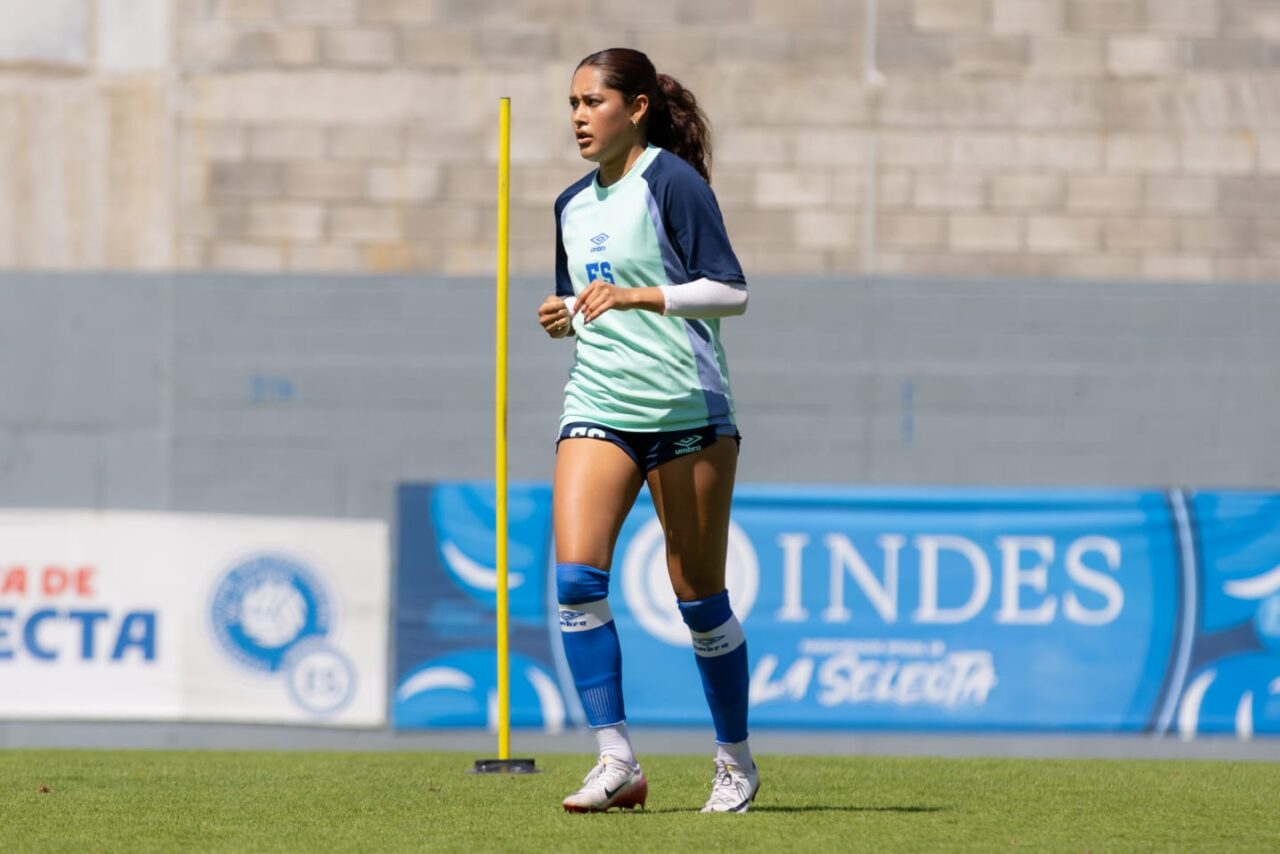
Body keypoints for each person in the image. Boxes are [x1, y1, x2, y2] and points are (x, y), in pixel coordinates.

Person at [536, 47, 758, 814]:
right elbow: (583, 302)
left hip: (687, 413)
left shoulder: (672, 181)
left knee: (698, 598)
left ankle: (734, 760)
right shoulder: (570, 203)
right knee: (574, 582)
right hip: (598, 404)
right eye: (572, 104)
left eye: (592, 102)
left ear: (636, 108)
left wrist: (637, 298)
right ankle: (616, 760)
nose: (578, 118)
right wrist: (563, 318)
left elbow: (730, 292)